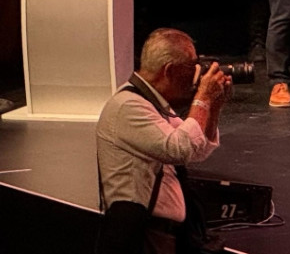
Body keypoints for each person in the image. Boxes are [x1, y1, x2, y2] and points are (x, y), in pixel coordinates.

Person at [95, 27, 231, 254]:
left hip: (161, 234)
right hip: (141, 236)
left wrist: (214, 105)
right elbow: (180, 149)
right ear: (169, 70)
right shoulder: (128, 106)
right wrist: (203, 98)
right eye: (192, 66)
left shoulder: (151, 103)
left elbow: (197, 149)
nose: (197, 74)